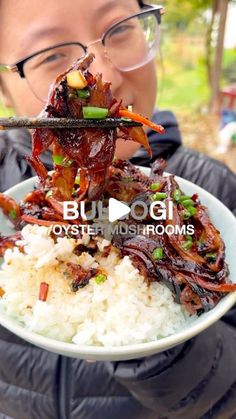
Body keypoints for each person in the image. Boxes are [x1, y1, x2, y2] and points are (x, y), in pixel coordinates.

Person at [0, 1, 236, 418]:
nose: (103, 76)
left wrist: (160, 348)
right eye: (52, 54)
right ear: (4, 87)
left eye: (121, 28)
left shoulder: (214, 191)